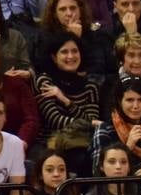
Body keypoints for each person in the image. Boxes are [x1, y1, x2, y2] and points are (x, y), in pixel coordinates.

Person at [33, 34, 100, 176]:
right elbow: (56, 121)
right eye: (64, 52)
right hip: (50, 143)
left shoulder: (90, 87)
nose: (71, 56)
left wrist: (65, 101)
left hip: (82, 143)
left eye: (75, 51)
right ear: (53, 57)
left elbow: (92, 121)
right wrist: (89, 123)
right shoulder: (44, 81)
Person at [91, 77, 141, 178]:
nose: (135, 106)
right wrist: (128, 147)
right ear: (120, 101)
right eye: (129, 100)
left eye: (140, 100)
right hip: (119, 188)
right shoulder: (104, 130)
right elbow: (97, 173)